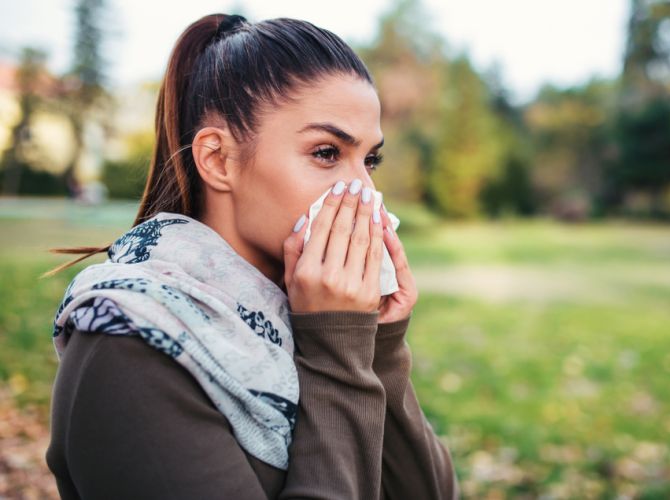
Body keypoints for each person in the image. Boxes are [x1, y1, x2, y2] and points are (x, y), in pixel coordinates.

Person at [42, 13, 460, 500]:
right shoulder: (128, 346)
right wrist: (338, 350)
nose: (365, 192)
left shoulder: (300, 312)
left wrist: (380, 345)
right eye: (326, 153)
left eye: (369, 160)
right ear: (218, 160)